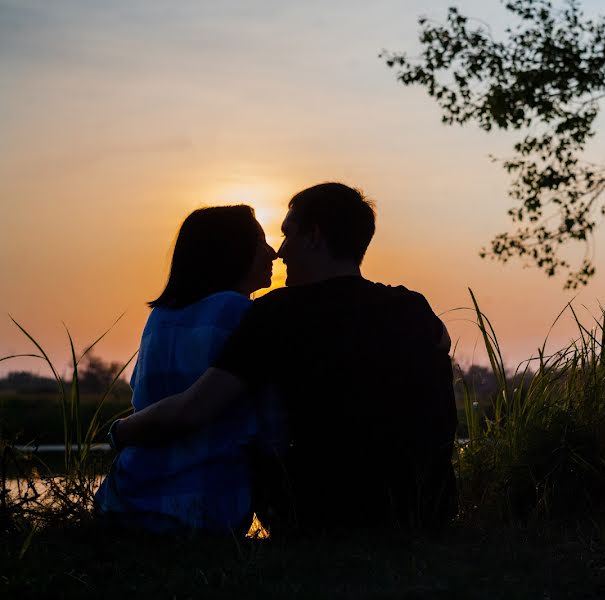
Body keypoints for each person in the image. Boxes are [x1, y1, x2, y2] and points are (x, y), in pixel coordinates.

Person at [110, 182, 458, 534]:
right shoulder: (411, 306)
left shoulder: (274, 315)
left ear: (314, 237)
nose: (280, 251)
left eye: (287, 234)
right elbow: (442, 343)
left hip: (324, 516)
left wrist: (122, 431)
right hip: (428, 509)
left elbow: (194, 409)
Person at [95, 205, 277, 533]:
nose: (273, 252)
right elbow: (270, 422)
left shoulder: (159, 317)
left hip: (128, 498)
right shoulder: (240, 312)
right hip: (203, 507)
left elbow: (144, 397)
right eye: (261, 242)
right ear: (234, 251)